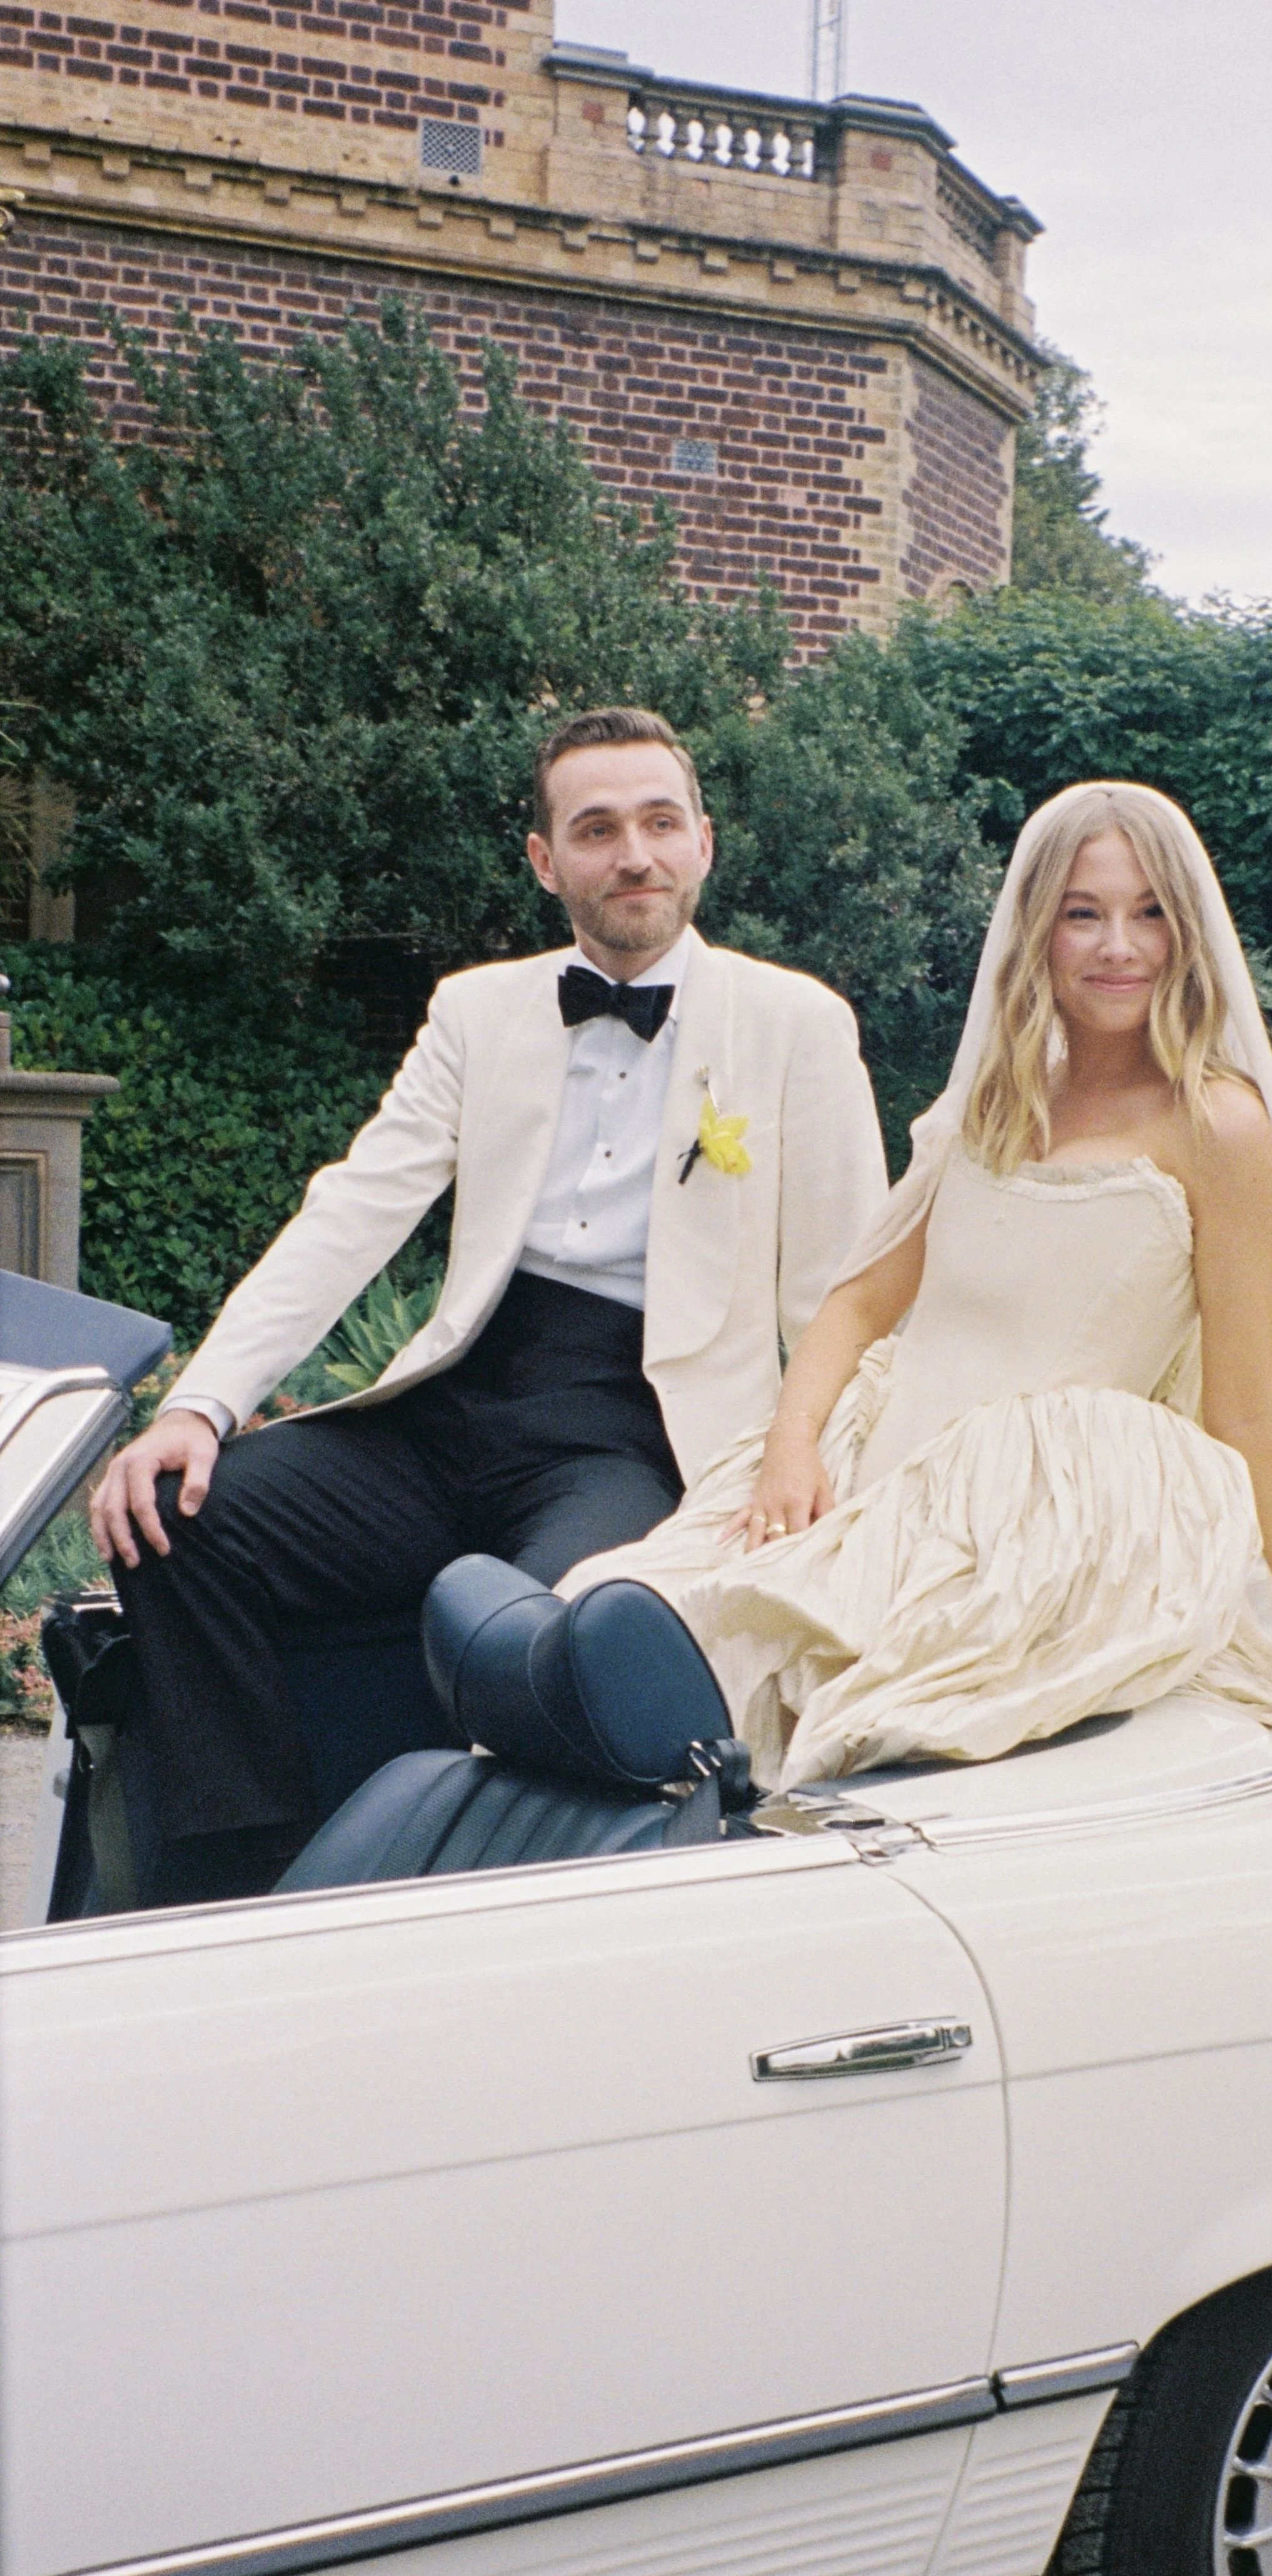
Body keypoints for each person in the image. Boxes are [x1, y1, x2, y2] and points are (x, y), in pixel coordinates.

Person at [90, 707, 888, 1899]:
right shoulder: (479, 1009)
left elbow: (849, 1290)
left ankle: (468, 1913)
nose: (634, 855)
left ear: (704, 844)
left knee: (547, 1639)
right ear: (544, 859)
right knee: (175, 1517)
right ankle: (243, 1873)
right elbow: (353, 1210)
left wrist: (808, 1459)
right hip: (458, 1400)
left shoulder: (796, 1025)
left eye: (660, 823)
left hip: (636, 1429)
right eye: (598, 828)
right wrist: (200, 1407)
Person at [560, 780, 1272, 1786]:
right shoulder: (995, 1098)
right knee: (617, 1590)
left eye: (1149, 912)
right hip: (883, 1458)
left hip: (1040, 1505)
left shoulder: (1217, 1125)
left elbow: (1249, 1405)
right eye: (1083, 913)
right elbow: (855, 1302)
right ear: (1037, 930)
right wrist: (791, 1447)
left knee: (753, 1655)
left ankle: (649, 1706)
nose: (1120, 945)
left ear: (1187, 931)